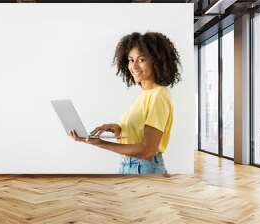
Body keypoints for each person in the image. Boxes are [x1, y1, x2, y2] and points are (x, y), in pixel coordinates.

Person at [69, 31, 181, 175]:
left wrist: (102, 144)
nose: (133, 66)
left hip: (145, 168)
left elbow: (147, 150)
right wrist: (117, 129)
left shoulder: (158, 95)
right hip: (130, 166)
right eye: (130, 60)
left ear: (156, 61)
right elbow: (139, 134)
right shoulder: (145, 94)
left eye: (141, 60)